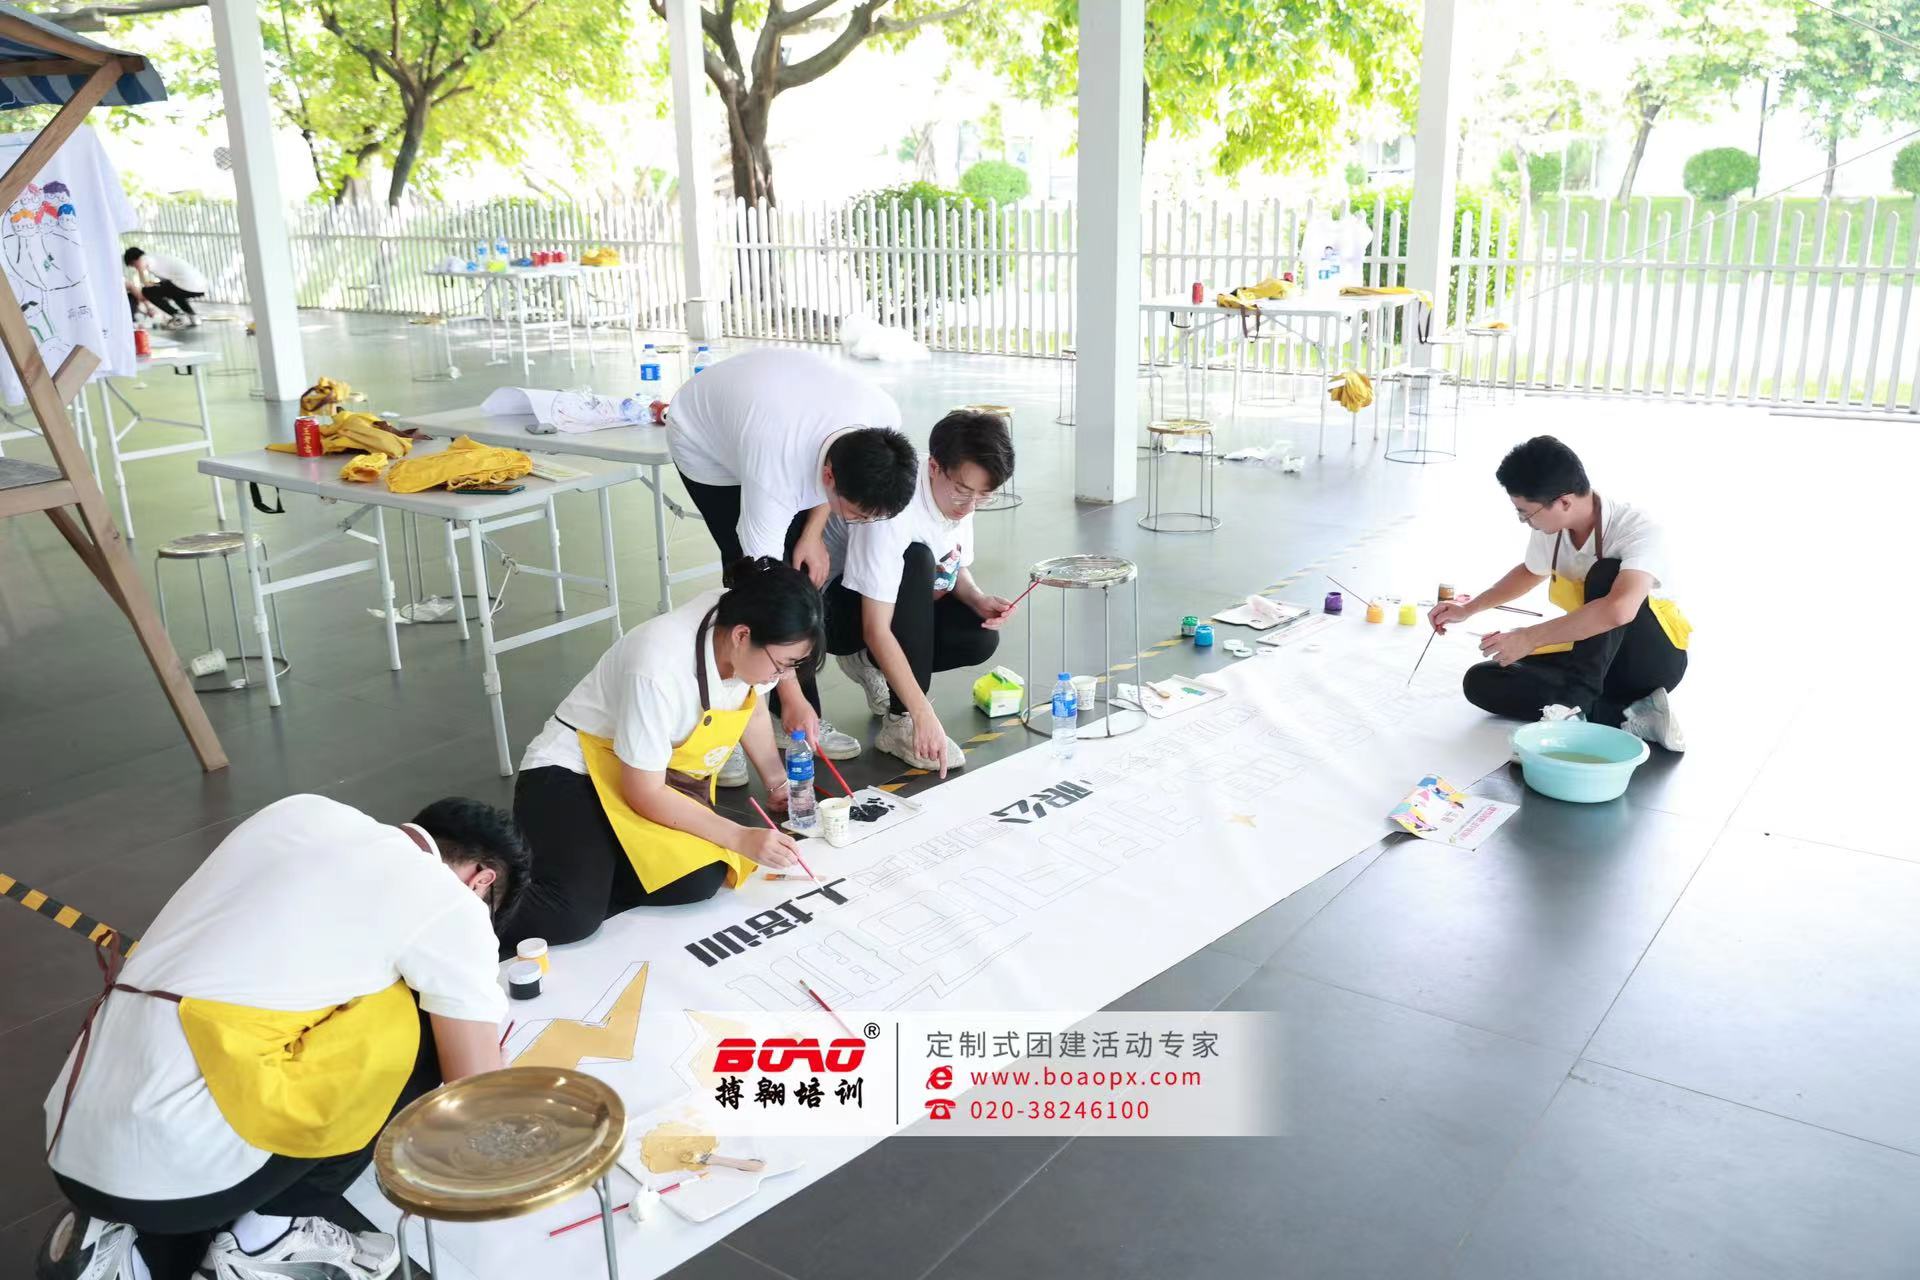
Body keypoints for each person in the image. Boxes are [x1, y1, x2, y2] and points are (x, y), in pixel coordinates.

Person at [37, 794, 529, 1280]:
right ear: (482, 880)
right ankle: (269, 1240)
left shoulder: (297, 812)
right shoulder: (449, 903)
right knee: (417, 1018)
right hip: (178, 1176)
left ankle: (119, 1248)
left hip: (75, 1133)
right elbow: (477, 1093)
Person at [504, 557, 817, 953]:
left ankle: (593, 866)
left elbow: (749, 701)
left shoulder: (745, 621)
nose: (780, 677)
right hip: (573, 769)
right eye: (782, 665)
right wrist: (740, 836)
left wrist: (777, 781)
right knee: (572, 915)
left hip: (648, 771)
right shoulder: (659, 665)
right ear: (742, 636)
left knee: (697, 879)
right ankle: (463, 901)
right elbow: (645, 792)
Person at [666, 346, 918, 768]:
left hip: (775, 407)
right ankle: (772, 714)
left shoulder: (882, 419)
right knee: (752, 576)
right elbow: (763, 588)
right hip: (702, 436)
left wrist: (815, 531)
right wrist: (793, 694)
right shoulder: (775, 472)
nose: (860, 525)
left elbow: (825, 467)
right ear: (830, 477)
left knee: (801, 558)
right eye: (857, 515)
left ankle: (789, 706)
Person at [1429, 435, 1689, 749]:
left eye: (1527, 513)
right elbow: (1530, 571)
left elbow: (1619, 609)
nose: (1524, 521)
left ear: (1564, 502)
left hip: (1647, 663)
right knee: (1484, 680)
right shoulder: (1552, 526)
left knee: (1606, 573)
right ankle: (1628, 715)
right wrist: (1468, 609)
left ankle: (1573, 708)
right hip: (1593, 661)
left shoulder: (1638, 530)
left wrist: (1530, 638)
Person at [826, 408, 1020, 774]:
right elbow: (875, 628)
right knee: (917, 559)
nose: (970, 506)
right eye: (963, 492)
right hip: (838, 612)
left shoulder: (962, 492)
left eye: (984, 496)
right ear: (933, 467)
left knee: (978, 637)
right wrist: (921, 713)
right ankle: (899, 724)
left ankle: (870, 664)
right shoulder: (894, 507)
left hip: (897, 600)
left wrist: (976, 598)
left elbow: (952, 563)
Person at [123, 247, 208, 328]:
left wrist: (145, 283)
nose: (135, 267)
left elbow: (144, 279)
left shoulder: (143, 258)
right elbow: (164, 282)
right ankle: (193, 317)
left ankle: (178, 316)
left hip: (187, 284)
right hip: (198, 287)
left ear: (134, 260)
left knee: (147, 291)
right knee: (174, 293)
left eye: (133, 265)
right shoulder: (157, 258)